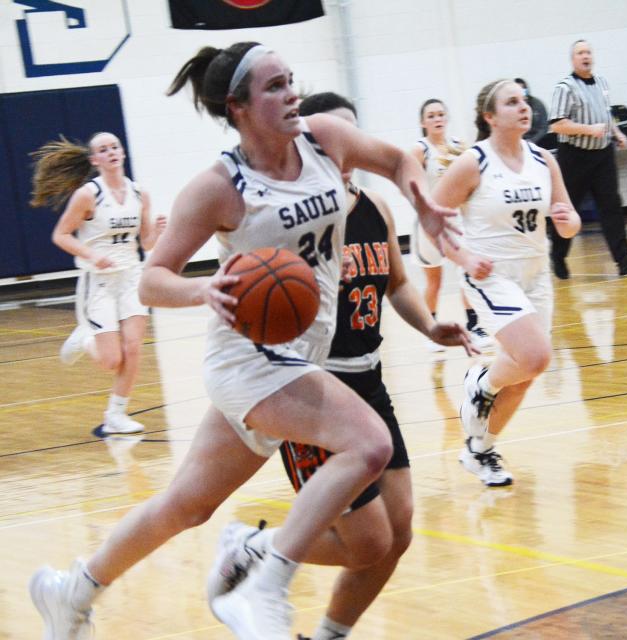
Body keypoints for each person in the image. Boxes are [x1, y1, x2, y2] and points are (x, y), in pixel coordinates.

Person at [28, 41, 458, 640]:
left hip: (300, 355)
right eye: (275, 87)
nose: (292, 95)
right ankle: (263, 582)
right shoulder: (218, 188)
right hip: (250, 360)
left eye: (291, 81)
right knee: (370, 445)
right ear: (238, 107)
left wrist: (426, 202)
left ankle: (69, 591)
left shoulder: (323, 138)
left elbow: (399, 159)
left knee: (187, 505)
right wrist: (201, 293)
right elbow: (153, 278)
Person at [205, 92, 477, 640]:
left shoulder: (375, 209)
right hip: (315, 388)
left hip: (370, 379)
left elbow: (396, 282)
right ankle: (252, 549)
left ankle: (328, 635)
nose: (351, 152)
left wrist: (428, 325)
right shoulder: (291, 217)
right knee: (367, 540)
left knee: (397, 533)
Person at [434, 79, 581, 485]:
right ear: (490, 117)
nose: (523, 107)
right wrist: (463, 256)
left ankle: (480, 450)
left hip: (536, 273)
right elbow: (432, 220)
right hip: (491, 274)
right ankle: (482, 382)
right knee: (535, 357)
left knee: (527, 371)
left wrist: (570, 223)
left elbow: (568, 220)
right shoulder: (473, 163)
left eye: (524, 101)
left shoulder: (543, 159)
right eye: (511, 102)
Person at [30, 132, 166, 435]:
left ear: (122, 153)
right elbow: (60, 235)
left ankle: (116, 415)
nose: (111, 152)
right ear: (95, 160)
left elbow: (146, 242)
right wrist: (91, 254)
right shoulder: (88, 195)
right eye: (103, 150)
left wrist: (157, 232)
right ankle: (85, 338)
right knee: (110, 360)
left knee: (133, 349)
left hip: (131, 277)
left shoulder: (139, 193)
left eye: (115, 147)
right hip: (99, 281)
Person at [547, 39, 627, 280]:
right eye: (580, 53)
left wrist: (617, 133)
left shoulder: (602, 82)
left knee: (611, 206)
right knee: (567, 210)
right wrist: (589, 129)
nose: (585, 56)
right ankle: (558, 256)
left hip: (603, 155)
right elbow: (557, 125)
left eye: (588, 52)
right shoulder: (565, 87)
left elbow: (605, 114)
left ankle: (623, 259)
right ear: (573, 59)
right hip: (575, 157)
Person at [410, 98, 494, 352]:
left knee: (467, 275)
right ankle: (431, 330)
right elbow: (411, 185)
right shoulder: (419, 149)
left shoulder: (459, 146)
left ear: (446, 118)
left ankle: (474, 326)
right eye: (431, 115)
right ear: (423, 122)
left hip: (458, 220)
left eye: (440, 114)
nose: (437, 119)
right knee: (434, 281)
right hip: (430, 222)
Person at [514, 77, 549, 144]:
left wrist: (532, 141)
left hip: (536, 141)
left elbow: (544, 128)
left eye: (522, 90)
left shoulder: (537, 104)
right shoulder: (510, 107)